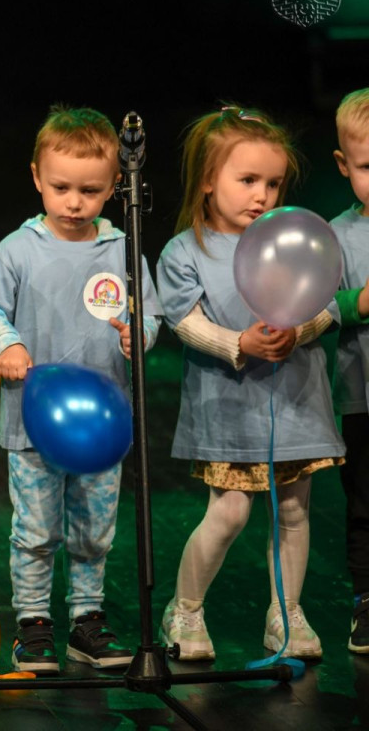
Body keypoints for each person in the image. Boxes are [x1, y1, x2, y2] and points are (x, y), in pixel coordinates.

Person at [0, 106, 160, 674]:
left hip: (103, 424)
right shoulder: (17, 250)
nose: (74, 202)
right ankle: (33, 623)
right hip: (33, 425)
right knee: (35, 527)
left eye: (90, 190)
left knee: (95, 527)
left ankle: (87, 619)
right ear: (36, 178)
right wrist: (7, 343)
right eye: (61, 188)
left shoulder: (122, 249)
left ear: (114, 188)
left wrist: (137, 337)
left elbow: (148, 318)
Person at [157, 106, 343, 661]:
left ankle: (286, 613)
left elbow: (326, 301)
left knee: (293, 509)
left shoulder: (291, 238)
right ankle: (185, 609)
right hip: (228, 404)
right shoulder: (187, 250)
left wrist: (298, 329)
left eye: (273, 182)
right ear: (210, 180)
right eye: (247, 180)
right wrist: (239, 343)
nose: (262, 194)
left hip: (294, 399)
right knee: (231, 510)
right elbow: (182, 318)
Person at [327, 87, 369, 655]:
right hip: (362, 398)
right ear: (344, 166)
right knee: (364, 505)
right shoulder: (333, 237)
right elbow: (318, 307)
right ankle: (367, 599)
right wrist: (360, 300)